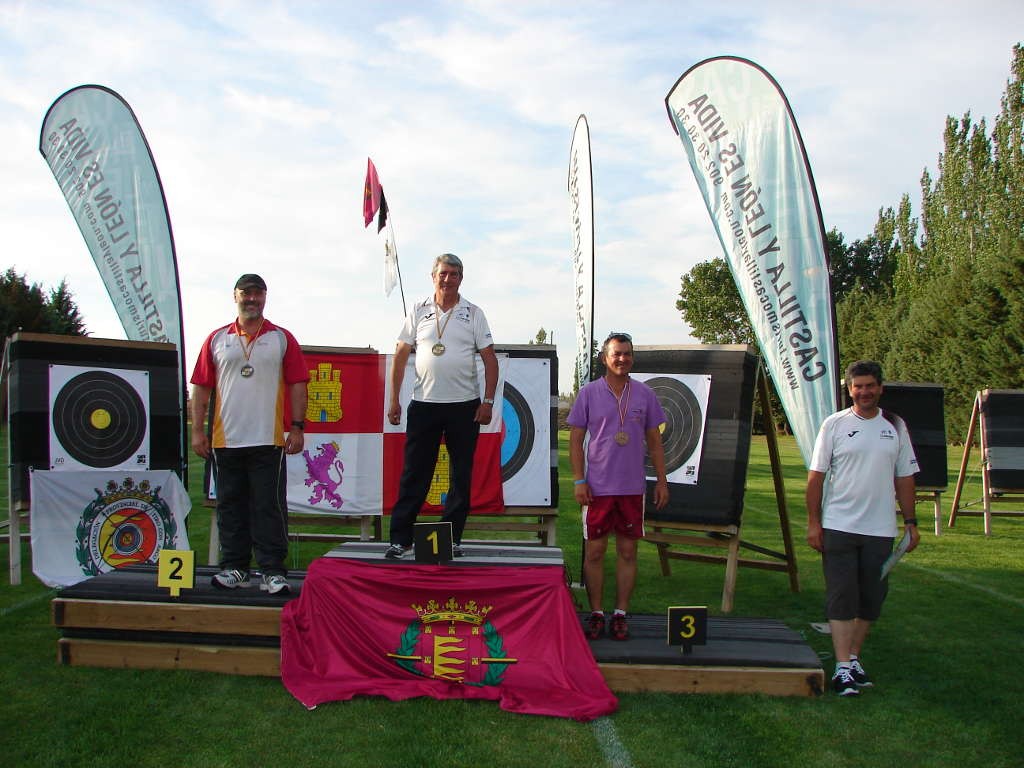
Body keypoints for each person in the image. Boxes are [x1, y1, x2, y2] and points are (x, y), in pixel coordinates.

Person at [806, 359, 920, 696]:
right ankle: (841, 667)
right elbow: (816, 478)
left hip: (880, 529)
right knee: (842, 595)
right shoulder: (834, 425)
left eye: (870, 386)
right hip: (839, 525)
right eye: (858, 387)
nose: (865, 392)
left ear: (880, 388)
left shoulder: (895, 426)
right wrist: (814, 522)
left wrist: (911, 523)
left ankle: (854, 658)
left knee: (872, 598)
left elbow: (905, 478)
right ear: (849, 389)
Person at [190, 273, 309, 595]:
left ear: (265, 297)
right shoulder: (216, 339)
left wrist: (297, 427)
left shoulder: (282, 338)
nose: (252, 299)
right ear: (235, 296)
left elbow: (298, 383)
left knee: (268, 507)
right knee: (230, 506)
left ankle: (272, 571)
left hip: (267, 440)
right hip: (225, 440)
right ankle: (235, 567)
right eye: (246, 293)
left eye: (257, 294)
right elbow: (200, 388)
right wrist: (197, 433)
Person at [385, 253, 498, 559]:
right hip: (424, 405)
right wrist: (394, 399)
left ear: (461, 278)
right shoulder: (418, 309)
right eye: (443, 273)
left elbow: (490, 359)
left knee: (460, 476)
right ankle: (401, 539)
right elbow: (400, 355)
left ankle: (451, 539)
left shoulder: (473, 313)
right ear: (432, 276)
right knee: (415, 473)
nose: (448, 279)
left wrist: (487, 401)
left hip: (464, 407)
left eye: (455, 274)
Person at [567, 332, 669, 641]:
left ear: (632, 358)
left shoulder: (644, 394)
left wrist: (662, 480)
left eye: (627, 354)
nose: (622, 359)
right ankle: (597, 613)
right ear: (604, 358)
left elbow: (654, 441)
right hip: (597, 488)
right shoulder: (588, 394)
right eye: (616, 354)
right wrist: (579, 480)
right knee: (595, 553)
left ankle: (621, 613)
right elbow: (574, 441)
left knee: (628, 552)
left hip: (631, 488)